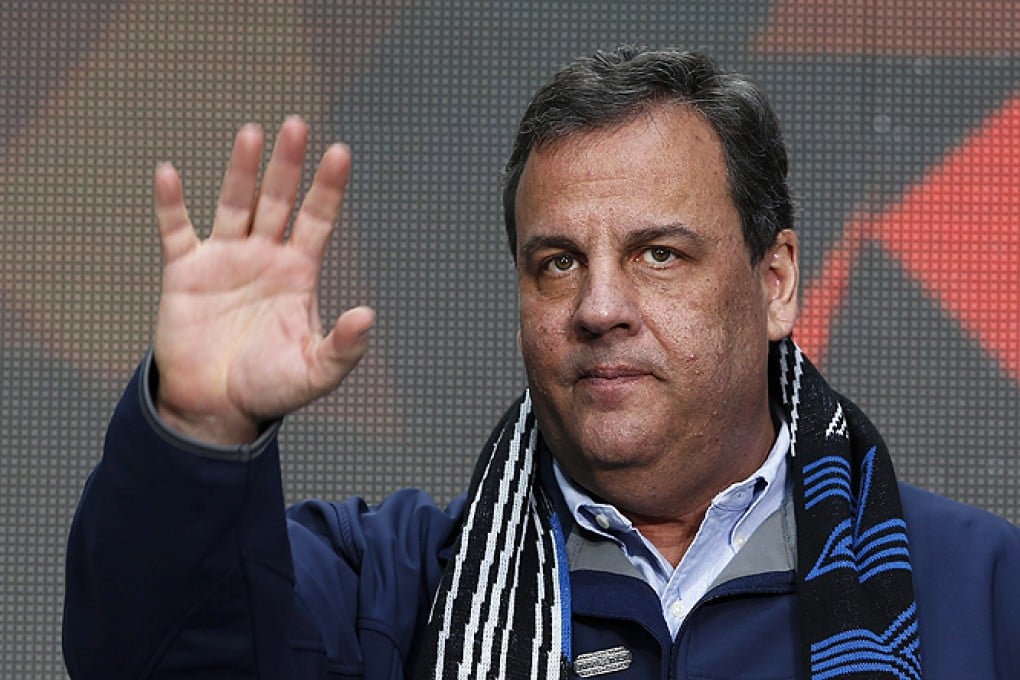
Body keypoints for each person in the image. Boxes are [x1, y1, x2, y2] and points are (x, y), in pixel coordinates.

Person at [63, 46, 1019, 679]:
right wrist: (196, 431)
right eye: (557, 263)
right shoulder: (394, 588)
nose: (599, 307)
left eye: (659, 254)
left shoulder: (980, 589)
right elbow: (153, 655)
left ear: (774, 282)